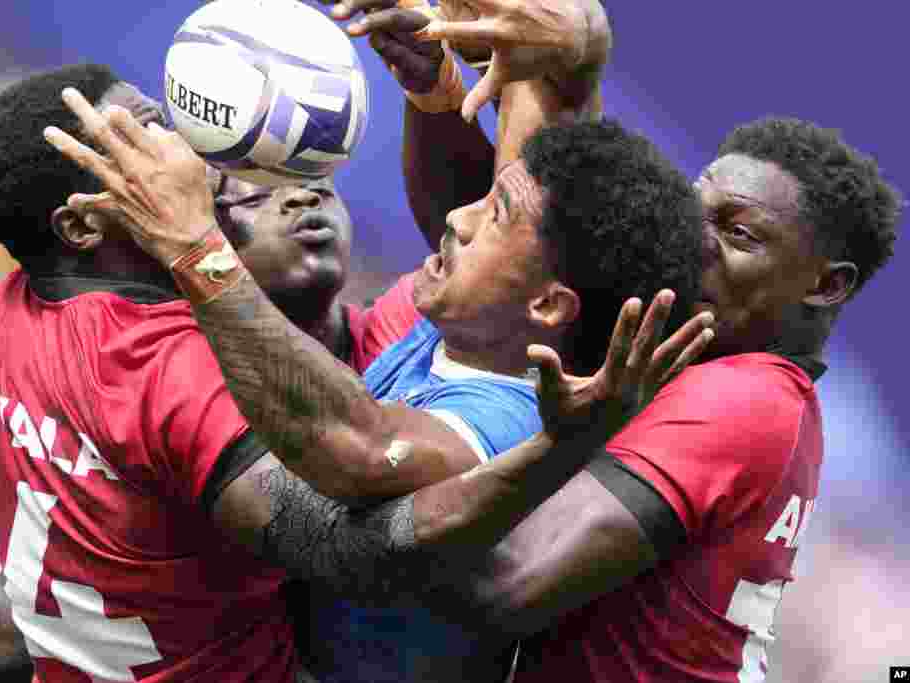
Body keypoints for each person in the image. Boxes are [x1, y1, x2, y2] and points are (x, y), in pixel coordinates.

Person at [0, 63, 709, 683]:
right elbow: (356, 539)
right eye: (148, 134)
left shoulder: (9, 310)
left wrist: (69, 544)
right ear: (79, 222)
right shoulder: (180, 366)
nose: (188, 150)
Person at [332, 0, 905, 679]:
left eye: (739, 233)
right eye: (698, 210)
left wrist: (324, 476)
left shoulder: (746, 398)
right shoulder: (685, 342)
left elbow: (504, 585)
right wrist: (441, 97)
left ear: (825, 285)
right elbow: (497, 259)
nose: (697, 241)